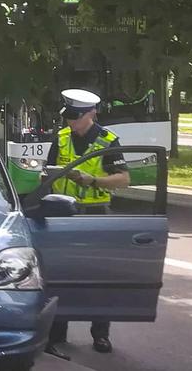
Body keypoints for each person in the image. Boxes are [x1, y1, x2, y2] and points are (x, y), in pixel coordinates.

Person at [43, 88, 131, 361]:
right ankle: (56, 335)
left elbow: (123, 179)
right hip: (62, 212)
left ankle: (100, 334)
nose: (70, 122)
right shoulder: (61, 138)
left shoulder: (108, 141)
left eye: (76, 116)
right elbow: (47, 171)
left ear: (91, 113)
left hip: (95, 214)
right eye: (68, 116)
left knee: (98, 275)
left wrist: (92, 181)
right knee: (59, 275)